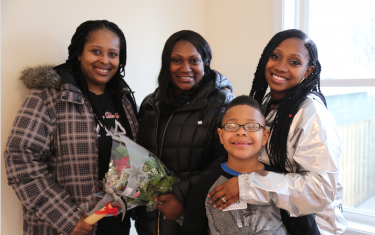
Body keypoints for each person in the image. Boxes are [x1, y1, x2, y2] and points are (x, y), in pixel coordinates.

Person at [4, 20, 138, 235]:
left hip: (115, 225)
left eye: (113, 54)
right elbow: (20, 160)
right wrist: (66, 218)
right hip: (64, 228)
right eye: (96, 51)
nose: (105, 60)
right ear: (79, 53)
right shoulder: (47, 99)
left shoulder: (125, 100)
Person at [207, 29, 347, 235]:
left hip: (313, 227)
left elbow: (320, 190)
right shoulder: (265, 106)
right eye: (275, 56)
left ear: (308, 71)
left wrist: (248, 186)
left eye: (294, 62)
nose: (280, 67)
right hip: (275, 223)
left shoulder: (313, 115)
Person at [134, 30, 234, 235]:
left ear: (205, 63)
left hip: (195, 220)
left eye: (194, 61)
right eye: (176, 60)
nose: (185, 68)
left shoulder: (222, 104)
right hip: (148, 224)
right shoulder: (150, 105)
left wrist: (182, 198)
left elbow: (226, 162)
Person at [181, 95, 320, 235]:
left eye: (252, 126)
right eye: (231, 126)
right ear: (221, 135)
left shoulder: (282, 185)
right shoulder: (203, 186)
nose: (241, 131)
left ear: (265, 136)